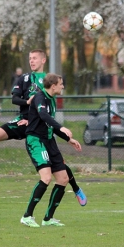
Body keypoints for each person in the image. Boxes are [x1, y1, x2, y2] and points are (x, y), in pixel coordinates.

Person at [0, 49, 87, 206]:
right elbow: (15, 99)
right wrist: (27, 103)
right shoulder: (24, 78)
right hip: (23, 121)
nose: (32, 61)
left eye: (35, 58)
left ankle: (76, 189)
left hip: (38, 124)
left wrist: (66, 136)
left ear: (43, 60)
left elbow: (46, 112)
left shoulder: (49, 81)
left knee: (58, 164)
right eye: (30, 58)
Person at [20, 73, 81, 227]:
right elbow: (43, 115)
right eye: (61, 84)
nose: (63, 86)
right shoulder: (40, 97)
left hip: (49, 141)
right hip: (36, 141)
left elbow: (50, 125)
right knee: (46, 178)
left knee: (63, 179)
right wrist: (62, 126)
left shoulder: (52, 100)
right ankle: (27, 216)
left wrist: (69, 139)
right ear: (53, 85)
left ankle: (48, 219)